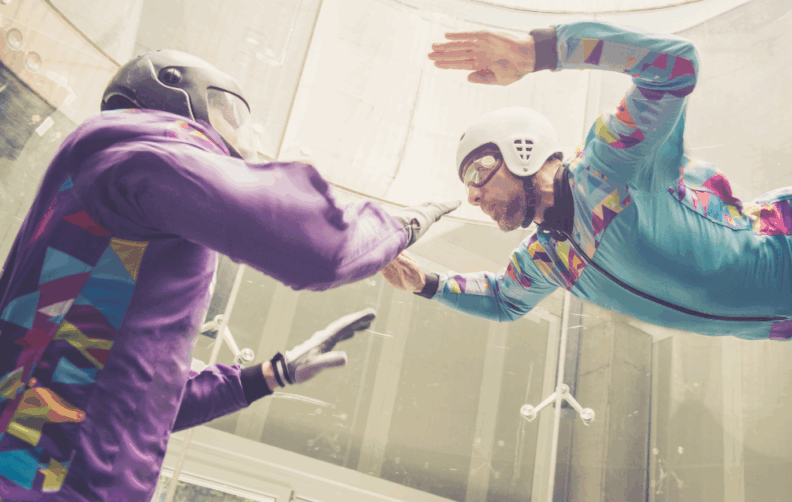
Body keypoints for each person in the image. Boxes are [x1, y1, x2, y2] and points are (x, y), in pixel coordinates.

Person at [0, 50, 458, 500]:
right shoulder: (146, 152)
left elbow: (123, 399)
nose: (245, 133)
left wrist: (264, 377)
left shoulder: (104, 192)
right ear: (175, 94)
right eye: (229, 111)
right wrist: (406, 223)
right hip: (41, 482)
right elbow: (320, 249)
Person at [382, 21, 792, 341]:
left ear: (525, 149)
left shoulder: (607, 167)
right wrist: (430, 284)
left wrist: (540, 50)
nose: (470, 195)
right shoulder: (547, 258)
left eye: (478, 172)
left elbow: (673, 66)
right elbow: (501, 301)